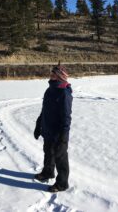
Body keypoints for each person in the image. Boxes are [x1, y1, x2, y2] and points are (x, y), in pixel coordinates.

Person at [33, 63, 73, 193]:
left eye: (53, 74)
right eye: (51, 73)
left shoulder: (64, 92)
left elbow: (66, 116)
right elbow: (44, 109)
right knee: (48, 152)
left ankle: (62, 183)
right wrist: (39, 124)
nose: (51, 75)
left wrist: (64, 134)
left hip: (59, 132)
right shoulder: (49, 90)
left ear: (60, 76)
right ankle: (47, 172)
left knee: (60, 157)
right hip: (48, 128)